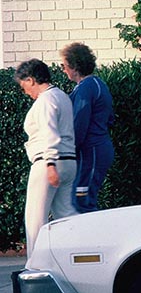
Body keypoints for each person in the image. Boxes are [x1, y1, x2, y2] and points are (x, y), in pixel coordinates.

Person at [15, 59, 79, 258]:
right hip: (69, 162)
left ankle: (35, 264)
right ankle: (76, 259)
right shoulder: (62, 96)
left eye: (23, 85)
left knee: (35, 219)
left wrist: (50, 164)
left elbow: (49, 133)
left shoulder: (45, 100)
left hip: (48, 163)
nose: (24, 91)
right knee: (67, 217)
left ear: (31, 79)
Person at [60, 42, 115, 213]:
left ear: (75, 67)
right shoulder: (97, 84)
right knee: (81, 199)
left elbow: (79, 124)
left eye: (64, 65)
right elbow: (110, 118)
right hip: (96, 149)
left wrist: (68, 150)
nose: (63, 70)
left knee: (82, 202)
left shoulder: (86, 88)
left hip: (91, 152)